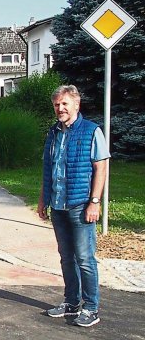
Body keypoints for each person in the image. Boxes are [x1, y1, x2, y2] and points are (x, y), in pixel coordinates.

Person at [38, 85, 109, 327]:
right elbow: (48, 168)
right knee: (66, 257)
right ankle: (71, 303)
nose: (60, 108)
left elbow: (101, 167)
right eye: (57, 104)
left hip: (81, 205)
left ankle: (91, 308)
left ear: (76, 105)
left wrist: (95, 202)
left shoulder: (91, 131)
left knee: (85, 258)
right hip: (58, 205)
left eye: (65, 104)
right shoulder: (53, 132)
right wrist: (42, 200)